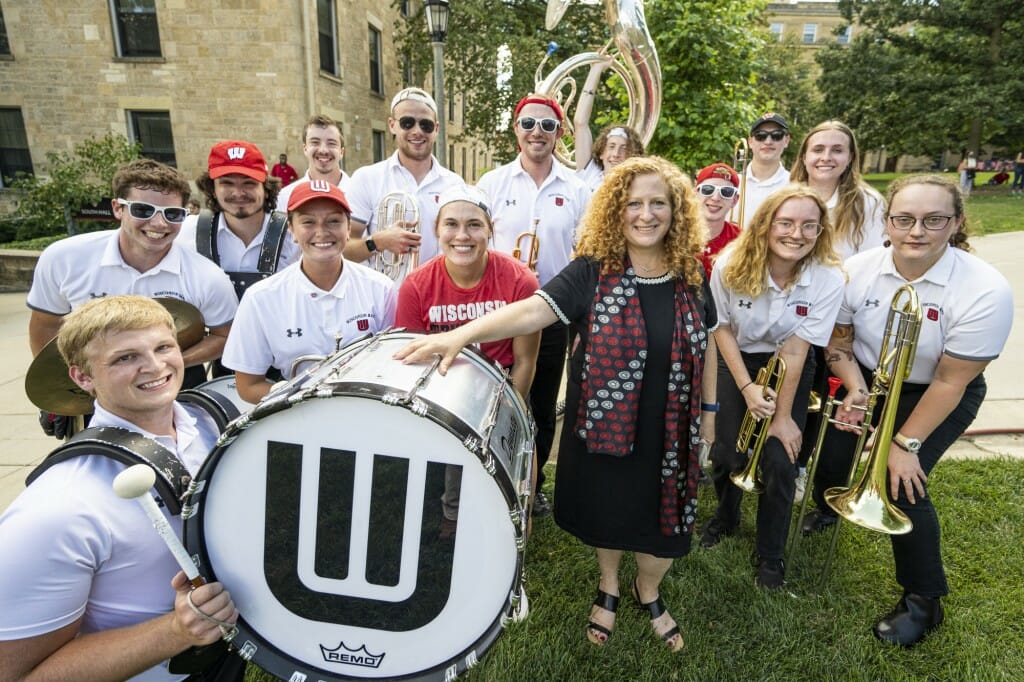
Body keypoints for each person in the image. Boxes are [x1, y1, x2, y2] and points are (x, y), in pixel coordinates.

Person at [396, 156, 715, 652]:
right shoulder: (592, 272)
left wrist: (710, 417)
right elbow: (530, 311)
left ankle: (647, 588)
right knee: (613, 510)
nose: (646, 214)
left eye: (658, 203)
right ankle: (609, 583)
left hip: (674, 427)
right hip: (610, 424)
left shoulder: (693, 275)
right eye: (634, 203)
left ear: (677, 211)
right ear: (616, 211)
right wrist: (459, 335)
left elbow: (709, 344)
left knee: (664, 525)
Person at [800, 174, 1013, 646]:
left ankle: (923, 600)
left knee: (901, 483)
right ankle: (829, 509)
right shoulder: (858, 268)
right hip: (868, 378)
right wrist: (855, 390)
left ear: (955, 223)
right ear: (889, 222)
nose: (916, 231)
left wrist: (902, 443)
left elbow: (950, 380)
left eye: (933, 220)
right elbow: (839, 342)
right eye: (905, 219)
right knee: (831, 453)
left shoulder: (985, 289)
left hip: (935, 391)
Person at [0, 295, 239, 680]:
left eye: (163, 347)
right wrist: (174, 631)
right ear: (82, 377)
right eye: (125, 357)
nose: (155, 366)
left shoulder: (213, 426)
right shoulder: (57, 507)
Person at [698, 186, 844, 590]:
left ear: (820, 231)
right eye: (786, 222)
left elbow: (796, 352)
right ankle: (726, 516)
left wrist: (782, 419)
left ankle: (771, 552)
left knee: (781, 458)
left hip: (789, 362)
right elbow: (720, 329)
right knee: (728, 450)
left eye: (808, 226)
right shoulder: (729, 264)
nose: (796, 234)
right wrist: (746, 388)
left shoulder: (828, 280)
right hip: (735, 359)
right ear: (766, 225)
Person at [27, 158, 237, 406]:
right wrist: (58, 388)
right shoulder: (64, 258)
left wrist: (166, 363)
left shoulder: (207, 276)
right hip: (94, 384)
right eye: (143, 210)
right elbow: (46, 326)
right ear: (118, 208)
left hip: (176, 384)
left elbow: (225, 336)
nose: (159, 223)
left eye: (172, 214)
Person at [396, 184, 541, 538]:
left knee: (521, 458)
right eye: (451, 225)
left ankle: (517, 518)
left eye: (474, 225)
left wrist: (509, 418)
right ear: (437, 231)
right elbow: (410, 362)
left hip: (503, 386)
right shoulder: (415, 286)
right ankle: (451, 512)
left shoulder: (520, 280)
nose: (463, 235)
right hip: (444, 391)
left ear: (490, 229)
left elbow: (524, 361)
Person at [477, 92, 592, 516]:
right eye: (528, 123)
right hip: (497, 313)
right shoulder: (491, 184)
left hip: (552, 315)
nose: (537, 132)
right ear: (515, 130)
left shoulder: (577, 189)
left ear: (560, 133)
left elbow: (587, 257)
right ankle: (486, 474)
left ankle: (533, 483)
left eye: (547, 125)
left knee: (541, 406)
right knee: (488, 397)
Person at [222, 180, 397, 403]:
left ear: (348, 228)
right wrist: (292, 396)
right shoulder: (260, 298)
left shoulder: (381, 288)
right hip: (297, 416)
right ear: (292, 230)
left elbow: (393, 366)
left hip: (367, 408)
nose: (321, 232)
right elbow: (248, 386)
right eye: (308, 222)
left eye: (334, 221)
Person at [344, 88, 465, 274]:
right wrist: (378, 242)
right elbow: (343, 249)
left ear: (436, 129)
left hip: (436, 296)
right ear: (392, 125)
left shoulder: (455, 184)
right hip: (384, 297)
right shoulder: (366, 178)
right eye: (407, 123)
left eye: (426, 125)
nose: (417, 131)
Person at [178, 140, 300, 301]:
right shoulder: (187, 232)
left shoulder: (294, 235)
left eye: (249, 183)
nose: (238, 193)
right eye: (227, 183)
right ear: (212, 188)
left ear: (266, 189)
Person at [789, 120, 885, 261]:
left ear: (850, 158)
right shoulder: (783, 199)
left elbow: (874, 257)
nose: (826, 158)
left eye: (837, 150)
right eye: (818, 150)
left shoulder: (869, 203)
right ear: (804, 157)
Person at [572, 61, 645, 191]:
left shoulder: (638, 186)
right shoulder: (590, 172)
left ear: (632, 156)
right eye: (611, 146)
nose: (616, 154)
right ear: (602, 153)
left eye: (624, 149)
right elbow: (580, 122)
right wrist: (596, 70)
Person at [276, 114, 352, 212]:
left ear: (341, 152)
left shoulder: (361, 194)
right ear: (305, 149)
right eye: (315, 142)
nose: (323, 150)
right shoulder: (285, 197)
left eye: (331, 143)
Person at [740, 113, 793, 229]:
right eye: (760, 135)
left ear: (787, 141)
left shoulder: (795, 185)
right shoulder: (732, 183)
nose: (768, 141)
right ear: (750, 142)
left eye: (777, 135)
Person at [694, 162, 742, 275]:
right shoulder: (675, 233)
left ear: (735, 200)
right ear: (695, 193)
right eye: (707, 189)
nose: (715, 198)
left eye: (726, 192)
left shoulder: (742, 241)